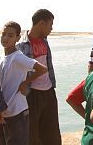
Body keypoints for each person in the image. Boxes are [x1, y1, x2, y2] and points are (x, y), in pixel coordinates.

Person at [0, 21, 48, 145]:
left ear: (18, 38)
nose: (5, 38)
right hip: (2, 111)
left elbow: (42, 69)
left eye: (10, 35)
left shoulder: (18, 57)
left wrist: (26, 82)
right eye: (4, 34)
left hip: (17, 112)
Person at [17, 9, 61, 144]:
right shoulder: (21, 45)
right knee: (32, 135)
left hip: (48, 92)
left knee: (52, 134)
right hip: (32, 94)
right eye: (50, 25)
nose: (51, 29)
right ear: (41, 23)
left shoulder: (45, 41)